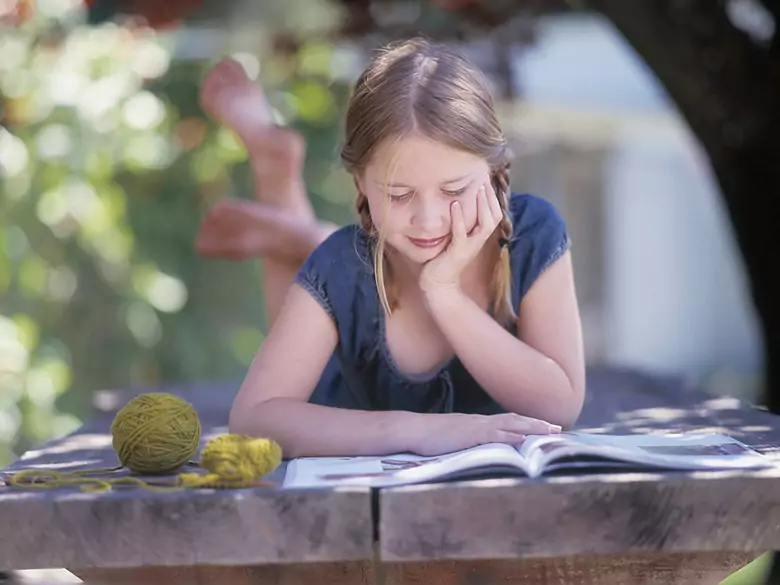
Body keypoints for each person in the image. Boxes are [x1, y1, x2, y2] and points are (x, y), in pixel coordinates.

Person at [196, 38, 586, 459]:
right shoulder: (341, 267)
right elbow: (254, 419)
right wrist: (418, 430)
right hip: (336, 408)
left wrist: (444, 292)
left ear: (494, 172)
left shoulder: (531, 234)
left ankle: (302, 232)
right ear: (360, 183)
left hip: (366, 264)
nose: (429, 219)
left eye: (454, 190)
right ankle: (286, 199)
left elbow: (559, 406)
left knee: (335, 263)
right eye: (399, 194)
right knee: (334, 270)